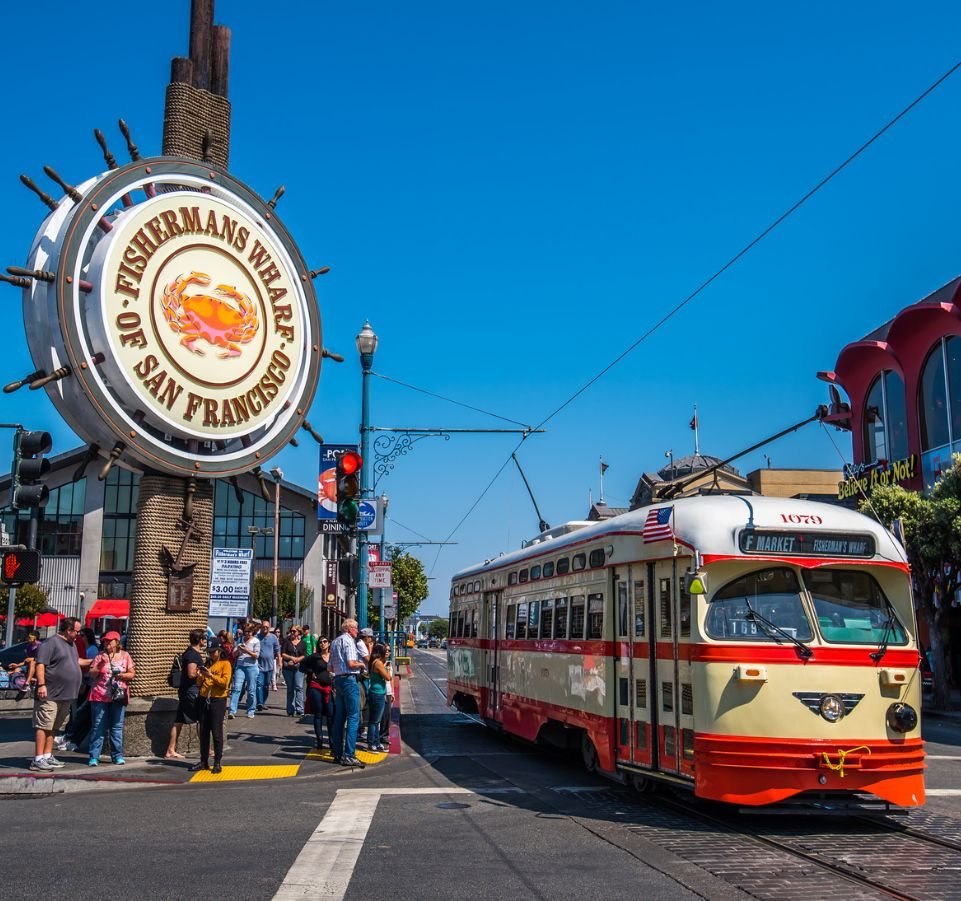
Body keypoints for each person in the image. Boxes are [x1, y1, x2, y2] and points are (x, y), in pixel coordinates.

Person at [31, 618, 91, 772]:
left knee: (54, 727)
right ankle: (38, 758)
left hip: (65, 695)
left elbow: (77, 661)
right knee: (43, 725)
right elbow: (40, 664)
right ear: (68, 630)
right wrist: (42, 685)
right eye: (76, 631)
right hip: (50, 693)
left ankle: (47, 755)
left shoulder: (71, 645)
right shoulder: (50, 643)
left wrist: (94, 660)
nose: (78, 634)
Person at [87, 631, 135, 766]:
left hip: (118, 696)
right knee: (98, 727)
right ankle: (94, 756)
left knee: (117, 726)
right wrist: (100, 664)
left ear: (117, 642)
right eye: (105, 641)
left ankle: (117, 756)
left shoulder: (125, 656)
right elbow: (92, 674)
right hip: (99, 695)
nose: (107, 643)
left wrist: (122, 676)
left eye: (110, 641)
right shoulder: (99, 656)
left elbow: (132, 674)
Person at [329, 619, 366, 768]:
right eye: (356, 628)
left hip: (338, 680)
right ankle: (349, 754)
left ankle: (337, 752)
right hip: (350, 679)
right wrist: (362, 664)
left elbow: (330, 667)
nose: (357, 631)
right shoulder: (349, 641)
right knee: (353, 717)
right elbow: (351, 663)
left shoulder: (335, 642)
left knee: (339, 717)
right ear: (350, 629)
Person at [192, 638, 232, 774]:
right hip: (204, 698)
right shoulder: (208, 663)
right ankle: (203, 761)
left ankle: (217, 762)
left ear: (219, 651)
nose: (210, 654)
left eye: (213, 652)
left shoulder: (225, 664)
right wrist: (200, 676)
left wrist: (210, 676)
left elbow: (224, 682)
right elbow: (199, 683)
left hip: (218, 700)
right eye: (209, 652)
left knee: (216, 732)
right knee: (203, 731)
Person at [165, 629, 205, 759]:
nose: (206, 640)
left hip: (185, 691)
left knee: (179, 721)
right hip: (191, 692)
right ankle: (206, 749)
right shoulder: (193, 655)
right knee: (201, 719)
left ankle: (170, 750)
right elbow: (191, 673)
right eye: (204, 638)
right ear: (200, 640)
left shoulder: (189, 653)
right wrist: (202, 673)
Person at [302, 637, 333, 748]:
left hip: (329, 688)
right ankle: (319, 739)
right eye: (320, 642)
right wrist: (311, 672)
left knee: (330, 714)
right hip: (316, 687)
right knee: (318, 714)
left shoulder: (333, 656)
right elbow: (303, 665)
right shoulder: (315, 656)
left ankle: (331, 740)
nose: (322, 644)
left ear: (329, 643)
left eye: (325, 641)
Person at [228, 624, 260, 719]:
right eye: (246, 631)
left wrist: (246, 650)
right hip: (240, 666)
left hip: (252, 667)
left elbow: (256, 656)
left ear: (252, 632)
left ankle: (251, 710)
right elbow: (234, 655)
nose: (247, 634)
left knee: (251, 689)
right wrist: (238, 649)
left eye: (249, 632)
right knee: (236, 688)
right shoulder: (240, 640)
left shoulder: (256, 641)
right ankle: (232, 711)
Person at [365, 643, 390, 752]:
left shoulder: (373, 662)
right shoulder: (379, 663)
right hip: (377, 693)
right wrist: (387, 668)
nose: (387, 652)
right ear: (380, 652)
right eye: (385, 650)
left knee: (376, 720)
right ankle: (372, 743)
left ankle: (376, 742)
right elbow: (388, 677)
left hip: (375, 692)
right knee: (375, 721)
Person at [281, 626, 306, 716]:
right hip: (288, 668)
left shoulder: (302, 643)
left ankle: (299, 709)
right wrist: (291, 658)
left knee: (299, 687)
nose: (292, 633)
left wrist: (297, 660)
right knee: (290, 689)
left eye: (294, 631)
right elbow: (283, 654)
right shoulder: (286, 642)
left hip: (299, 668)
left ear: (298, 633)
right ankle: (290, 709)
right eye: (291, 631)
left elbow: (304, 655)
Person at [256, 620, 280, 708]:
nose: (265, 628)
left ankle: (263, 702)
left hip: (270, 666)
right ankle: (259, 703)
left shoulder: (273, 637)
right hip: (259, 666)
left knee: (266, 685)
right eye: (263, 626)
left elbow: (278, 651)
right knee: (259, 684)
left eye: (267, 627)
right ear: (261, 627)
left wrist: (280, 662)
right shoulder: (257, 637)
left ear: (269, 628)